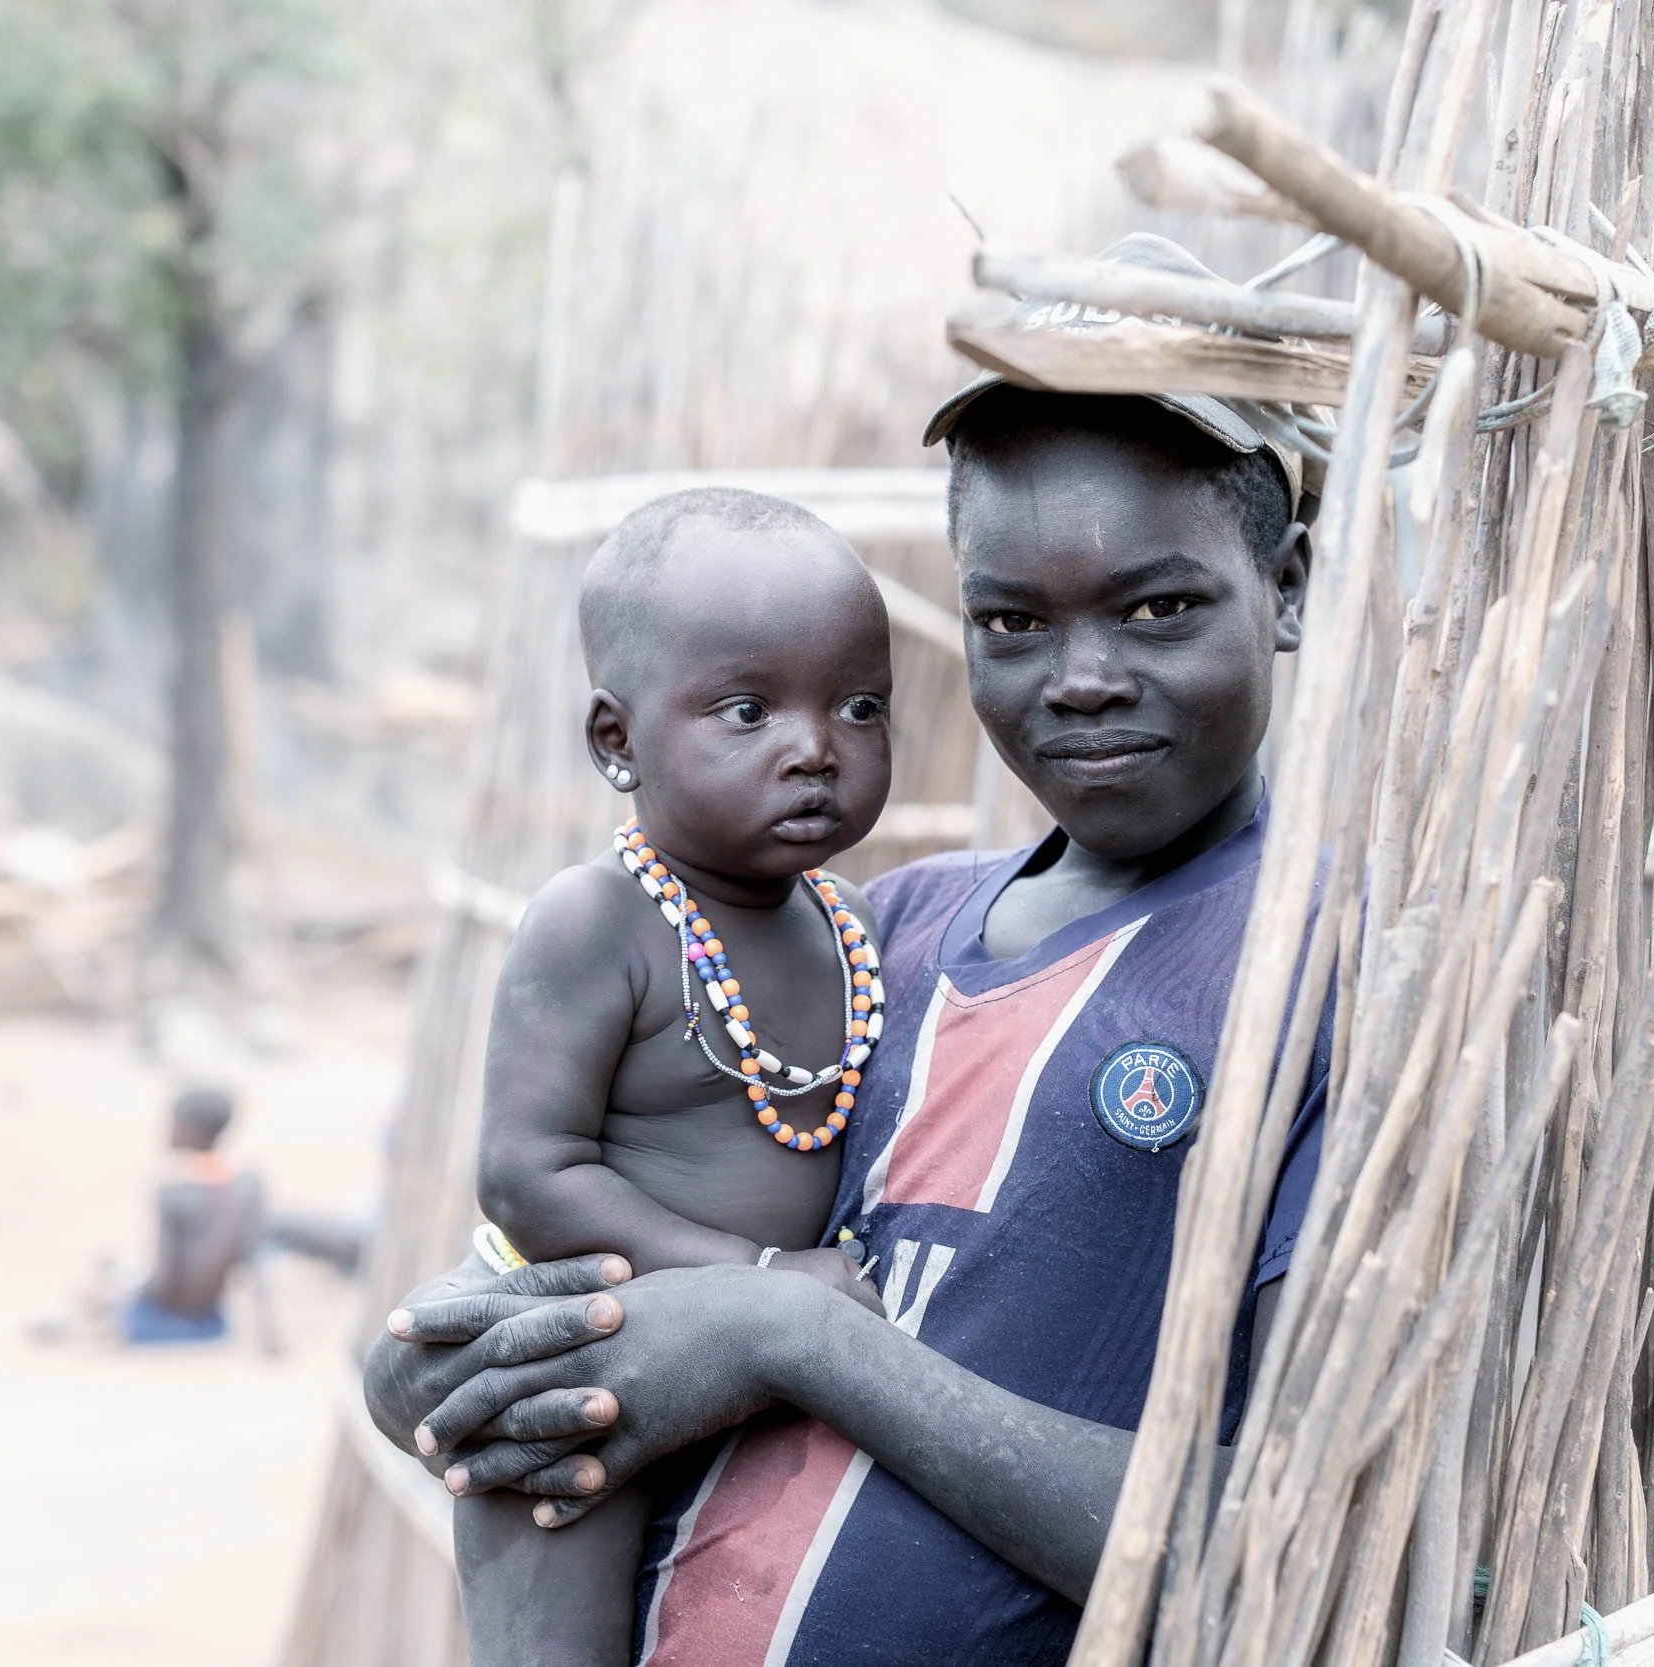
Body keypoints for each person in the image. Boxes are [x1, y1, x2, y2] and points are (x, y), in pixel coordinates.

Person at [368, 235, 1333, 1665]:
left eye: (1160, 606)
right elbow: (523, 1325)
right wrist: (444, 1358)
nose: (1079, 675)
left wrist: (797, 1338)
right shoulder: (872, 937)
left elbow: (1276, 1556)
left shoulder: (1322, 978)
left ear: (1290, 587)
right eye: (1010, 619)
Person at [457, 486, 898, 1666]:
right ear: (618, 739)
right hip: (584, 1353)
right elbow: (527, 1173)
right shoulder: (594, 920)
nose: (816, 747)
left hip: (766, 1367)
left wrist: (779, 1315)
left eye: (860, 706)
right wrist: (760, 1284)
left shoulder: (853, 923)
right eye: (747, 710)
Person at [121, 1085, 274, 1348]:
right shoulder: (248, 1185)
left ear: (191, 1130)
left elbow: (164, 1278)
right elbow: (257, 1263)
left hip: (165, 1320)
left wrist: (132, 1290)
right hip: (214, 1322)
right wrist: (271, 1336)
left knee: (115, 1294)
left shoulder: (173, 1192)